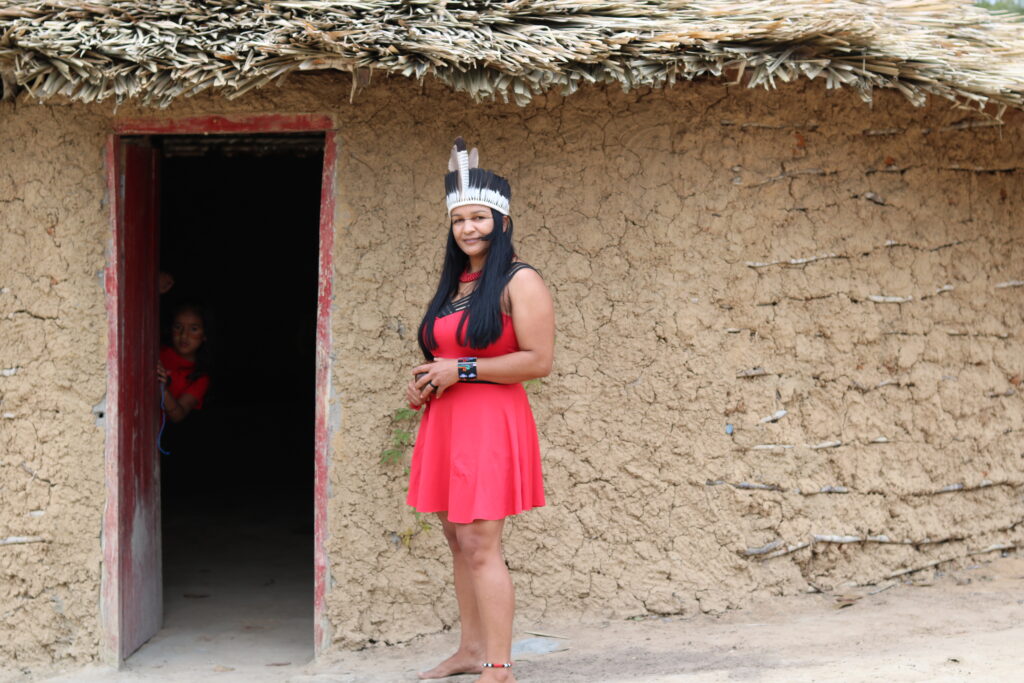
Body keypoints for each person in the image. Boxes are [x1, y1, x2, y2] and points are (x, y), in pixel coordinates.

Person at [406, 138, 555, 682]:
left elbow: (538, 360)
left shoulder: (520, 280)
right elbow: (447, 353)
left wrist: (462, 370)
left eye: (478, 218)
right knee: (456, 539)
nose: (468, 228)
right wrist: (428, 380)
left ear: (502, 221)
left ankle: (498, 664)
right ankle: (470, 650)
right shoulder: (458, 285)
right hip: (449, 421)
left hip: (490, 422)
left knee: (480, 543)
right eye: (458, 220)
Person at [157, 302, 211, 423]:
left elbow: (178, 415)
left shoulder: (200, 379)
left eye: (194, 329)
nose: (184, 335)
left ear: (204, 335)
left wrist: (163, 389)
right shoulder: (157, 351)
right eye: (178, 327)